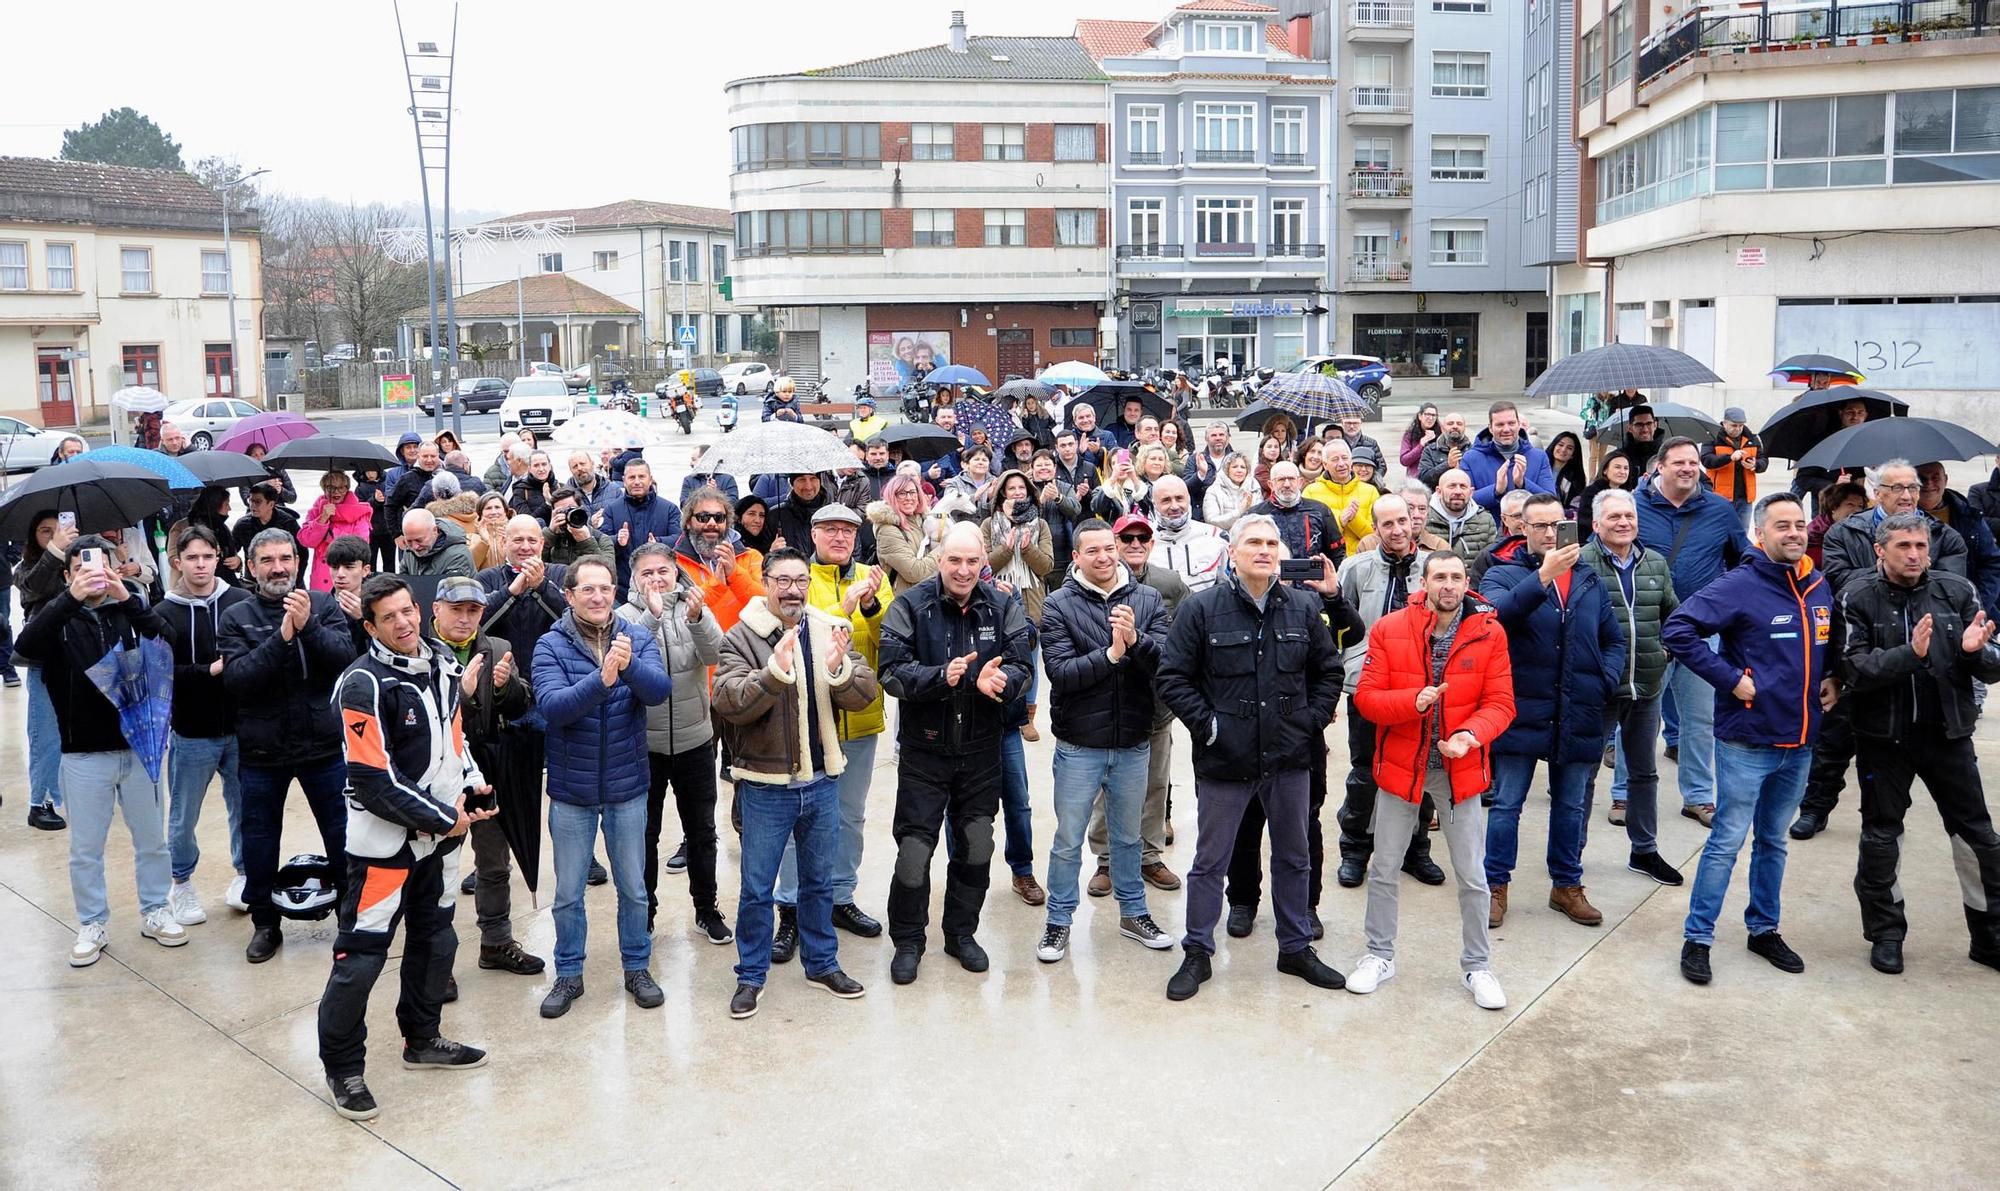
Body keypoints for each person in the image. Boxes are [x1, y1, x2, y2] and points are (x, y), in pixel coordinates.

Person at [316, 575, 491, 1122]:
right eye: (388, 617)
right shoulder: (360, 684)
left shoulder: (442, 662)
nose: (403, 623)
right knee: (361, 960)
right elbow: (372, 779)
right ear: (369, 626)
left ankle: (422, 1039)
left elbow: (453, 738)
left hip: (440, 846)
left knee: (437, 945)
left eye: (407, 611)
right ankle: (343, 1069)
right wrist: (446, 820)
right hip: (384, 851)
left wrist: (474, 782)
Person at [1157, 515, 1346, 1001]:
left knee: (1294, 856)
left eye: (1271, 543)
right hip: (1227, 759)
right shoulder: (1202, 609)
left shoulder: (1303, 607)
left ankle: (1295, 947)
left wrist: (1311, 719)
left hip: (1289, 757)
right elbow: (1173, 677)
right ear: (1233, 553)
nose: (1264, 550)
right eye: (1254, 543)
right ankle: (1198, 951)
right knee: (1209, 861)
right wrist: (1211, 725)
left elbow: (1328, 671)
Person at [1664, 493, 1835, 985]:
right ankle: (1698, 938)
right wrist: (1729, 678)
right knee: (1725, 842)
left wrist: (1835, 678)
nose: (1794, 532)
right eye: (1782, 525)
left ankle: (1763, 929)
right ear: (1760, 534)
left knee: (1773, 842)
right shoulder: (1739, 585)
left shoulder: (1819, 586)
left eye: (1800, 524)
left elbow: (1829, 646)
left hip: (1799, 742)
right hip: (1747, 742)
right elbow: (1680, 630)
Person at [712, 546, 878, 1018]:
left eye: (801, 581)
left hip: (823, 780)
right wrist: (774, 673)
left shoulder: (829, 628)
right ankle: (750, 976)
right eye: (782, 580)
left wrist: (837, 669)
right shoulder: (741, 638)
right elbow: (728, 701)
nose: (793, 590)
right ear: (765, 581)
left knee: (819, 883)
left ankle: (822, 964)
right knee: (757, 889)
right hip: (766, 786)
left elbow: (865, 693)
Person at [1347, 550, 1516, 1009]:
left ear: (1467, 583)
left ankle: (1478, 967)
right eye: (1440, 576)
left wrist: (1469, 735)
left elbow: (1501, 703)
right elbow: (1367, 699)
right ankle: (1379, 955)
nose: (1449, 585)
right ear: (1425, 581)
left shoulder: (1489, 632)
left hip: (1460, 769)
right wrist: (1414, 702)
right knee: (1383, 866)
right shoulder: (1390, 628)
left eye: (1457, 577)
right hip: (1402, 764)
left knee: (1473, 875)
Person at [1838, 512, 2000, 974]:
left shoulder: (1957, 591)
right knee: (1881, 838)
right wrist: (1911, 654)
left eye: (1921, 546)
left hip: (1948, 735)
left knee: (1979, 839)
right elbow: (1855, 669)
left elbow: (1991, 665)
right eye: (1904, 546)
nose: (1914, 554)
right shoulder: (1857, 596)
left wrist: (1976, 652)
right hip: (1882, 738)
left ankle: (1989, 937)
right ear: (1879, 550)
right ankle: (1886, 935)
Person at [16, 534, 186, 965]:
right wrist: (68, 599)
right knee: (85, 849)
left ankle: (156, 909)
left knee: (152, 841)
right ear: (68, 574)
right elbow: (26, 647)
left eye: (102, 566)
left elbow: (169, 641)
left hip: (140, 750)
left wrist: (126, 596)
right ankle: (92, 921)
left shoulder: (130, 610)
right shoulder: (57, 618)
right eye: (81, 568)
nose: (93, 575)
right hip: (82, 754)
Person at [877, 523, 1032, 985]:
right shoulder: (910, 604)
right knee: (913, 852)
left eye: (971, 561)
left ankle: (961, 933)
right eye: (953, 560)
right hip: (925, 752)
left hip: (982, 751)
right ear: (938, 559)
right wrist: (947, 677)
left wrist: (1002, 684)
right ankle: (908, 940)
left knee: (977, 846)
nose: (963, 570)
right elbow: (890, 673)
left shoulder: (1004, 604)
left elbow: (1023, 664)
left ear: (984, 561)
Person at [1792, 459, 1969, 840]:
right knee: (1834, 739)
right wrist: (1888, 569)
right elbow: (1837, 580)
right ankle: (1815, 807)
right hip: (1857, 648)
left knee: (1904, 748)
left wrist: (1897, 565)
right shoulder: (1845, 531)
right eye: (1897, 488)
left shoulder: (1943, 535)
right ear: (1877, 493)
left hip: (1921, 654)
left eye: (1913, 488)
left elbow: (1947, 588)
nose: (1907, 496)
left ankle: (1888, 817)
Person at [532, 556, 673, 1019]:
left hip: (627, 787)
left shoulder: (637, 636)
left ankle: (637, 967)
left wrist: (627, 667)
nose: (597, 597)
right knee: (569, 892)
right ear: (569, 595)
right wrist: (603, 678)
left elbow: (658, 690)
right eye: (587, 590)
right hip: (573, 793)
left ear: (614, 593)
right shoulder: (550, 645)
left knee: (634, 888)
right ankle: (569, 973)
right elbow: (553, 707)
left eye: (605, 589)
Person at [1479, 492, 1626, 928]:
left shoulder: (1588, 579)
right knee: (1506, 803)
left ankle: (1566, 884)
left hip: (1578, 705)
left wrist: (1606, 679)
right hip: (1522, 704)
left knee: (1570, 804)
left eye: (1556, 524)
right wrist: (1543, 576)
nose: (1549, 532)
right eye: (1539, 525)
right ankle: (1494, 886)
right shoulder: (1502, 574)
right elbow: (1495, 618)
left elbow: (1613, 638)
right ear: (1521, 529)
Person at [1035, 518, 1175, 962]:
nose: (1103, 557)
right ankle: (1058, 921)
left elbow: (1167, 662)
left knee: (1129, 837)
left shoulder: (1148, 598)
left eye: (1108, 548)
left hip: (1134, 739)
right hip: (1080, 745)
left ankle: (1134, 913)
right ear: (1075, 557)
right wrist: (1112, 654)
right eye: (1091, 550)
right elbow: (1060, 674)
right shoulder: (1057, 605)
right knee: (1068, 838)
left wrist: (1136, 641)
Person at [219, 529, 358, 964]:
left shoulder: (321, 604)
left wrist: (308, 625)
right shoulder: (236, 615)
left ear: (298, 562)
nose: (278, 567)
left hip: (322, 746)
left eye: (285, 558)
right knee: (259, 840)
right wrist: (281, 637)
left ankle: (350, 920)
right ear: (251, 565)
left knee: (344, 836)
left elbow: (344, 660)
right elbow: (239, 680)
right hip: (262, 751)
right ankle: (264, 922)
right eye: (267, 560)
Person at [769, 505, 895, 946]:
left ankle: (840, 896)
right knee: (794, 816)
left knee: (849, 815)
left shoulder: (873, 578)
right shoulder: (798, 579)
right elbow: (795, 632)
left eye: (848, 530)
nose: (840, 537)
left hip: (859, 719)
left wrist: (873, 604)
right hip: (807, 719)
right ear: (815, 534)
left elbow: (890, 642)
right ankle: (790, 906)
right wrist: (844, 609)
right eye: (830, 530)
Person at [611, 542, 731, 944]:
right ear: (634, 578)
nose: (657, 579)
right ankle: (645, 911)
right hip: (641, 747)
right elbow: (625, 662)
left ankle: (706, 907)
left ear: (675, 572)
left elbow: (716, 654)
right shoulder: (622, 616)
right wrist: (651, 616)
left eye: (663, 571)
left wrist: (697, 619)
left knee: (702, 830)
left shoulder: (693, 606)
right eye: (648, 573)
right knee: (644, 834)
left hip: (696, 738)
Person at [429, 576, 546, 977]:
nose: (465, 619)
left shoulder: (498, 647)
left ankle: (496, 942)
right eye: (456, 609)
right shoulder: (418, 651)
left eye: (473, 611)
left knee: (494, 864)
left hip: (489, 773)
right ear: (436, 609)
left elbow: (521, 703)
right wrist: (460, 694)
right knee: (436, 871)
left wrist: (505, 688)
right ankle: (434, 963)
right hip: (437, 779)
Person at [1630, 437, 1745, 829]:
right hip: (1646, 628)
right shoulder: (1633, 507)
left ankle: (1698, 797)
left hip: (1701, 633)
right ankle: (1624, 795)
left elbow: (1740, 561)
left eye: (1693, 462)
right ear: (1659, 466)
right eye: (1678, 462)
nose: (1687, 468)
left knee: (1700, 720)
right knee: (1639, 717)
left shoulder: (1720, 509)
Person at [1333, 496, 1443, 890]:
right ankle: (1355, 848)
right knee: (1365, 771)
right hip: (1369, 684)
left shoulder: (1434, 568)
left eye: (1403, 521)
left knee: (1420, 766)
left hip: (1422, 686)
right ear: (1375, 528)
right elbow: (1336, 624)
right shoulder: (1357, 568)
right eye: (1388, 524)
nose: (1397, 530)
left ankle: (1416, 849)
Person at [1579, 489, 1685, 886]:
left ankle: (1644, 851)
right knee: (1584, 773)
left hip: (1648, 686)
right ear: (1596, 525)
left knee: (1644, 772)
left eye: (1629, 516)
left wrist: (1666, 649)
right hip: (1599, 691)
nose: (1624, 523)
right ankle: (1570, 856)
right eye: (1614, 518)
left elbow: (1673, 615)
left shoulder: (1654, 563)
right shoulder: (1580, 563)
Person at [1087, 514, 1188, 896]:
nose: (1134, 544)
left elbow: (1186, 634)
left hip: (1156, 703)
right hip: (1106, 702)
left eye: (1141, 537)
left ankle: (1149, 856)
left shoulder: (1169, 584)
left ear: (1151, 542)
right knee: (1106, 786)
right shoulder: (1088, 581)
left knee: (1155, 783)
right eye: (1125, 538)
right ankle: (1106, 860)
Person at [162, 526, 253, 923]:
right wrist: (206, 671)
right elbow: (158, 672)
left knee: (246, 809)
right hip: (191, 731)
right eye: (192, 558)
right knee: (183, 815)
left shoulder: (239, 601)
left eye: (207, 556)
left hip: (240, 728)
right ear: (177, 562)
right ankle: (180, 884)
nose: (200, 564)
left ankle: (245, 876)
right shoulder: (162, 612)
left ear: (218, 557)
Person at [673, 487, 766, 631]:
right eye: (703, 517)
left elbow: (765, 604)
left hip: (742, 648)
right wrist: (716, 586)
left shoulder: (752, 557)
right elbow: (679, 615)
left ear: (727, 524)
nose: (712, 523)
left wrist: (735, 573)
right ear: (688, 522)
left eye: (719, 518)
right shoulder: (674, 563)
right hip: (697, 648)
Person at [1917, 460, 2000, 620]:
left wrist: (1978, 604)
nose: (1929, 484)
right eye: (1922, 479)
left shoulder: (1968, 516)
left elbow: (1992, 561)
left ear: (1946, 480)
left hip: (1971, 612)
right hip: (1922, 614)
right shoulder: (1901, 519)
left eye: (1935, 477)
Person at [597, 460, 683, 592]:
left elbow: (680, 539)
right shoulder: (611, 510)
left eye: (641, 476)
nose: (637, 482)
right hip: (623, 587)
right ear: (624, 480)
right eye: (632, 477)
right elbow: (600, 544)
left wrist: (658, 543)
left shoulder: (670, 509)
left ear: (650, 479)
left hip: (660, 586)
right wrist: (617, 541)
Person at [1461, 401, 1556, 516]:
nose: (1506, 429)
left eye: (1511, 423)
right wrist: (1495, 490)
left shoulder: (1538, 457)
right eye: (1500, 425)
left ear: (1518, 425)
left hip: (1528, 531)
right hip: (1488, 531)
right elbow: (1463, 501)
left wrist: (1523, 484)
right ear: (1490, 428)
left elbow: (1551, 502)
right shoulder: (1471, 458)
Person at [1250, 461, 1341, 568]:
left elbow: (1337, 553)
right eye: (1281, 479)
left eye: (1292, 479)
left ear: (1300, 482)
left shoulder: (1320, 511)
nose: (1287, 484)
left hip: (1312, 581)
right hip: (1271, 581)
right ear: (1271, 484)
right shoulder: (1256, 515)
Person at [297, 471, 373, 592]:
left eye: (341, 488)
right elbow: (306, 540)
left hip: (347, 576)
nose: (336, 492)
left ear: (347, 489)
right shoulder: (316, 511)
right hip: (321, 577)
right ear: (324, 489)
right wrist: (323, 519)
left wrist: (331, 537)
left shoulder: (359, 512)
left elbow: (361, 544)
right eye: (331, 488)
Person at [1149, 475, 1227, 594]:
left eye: (1179, 498)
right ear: (1154, 504)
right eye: (1166, 500)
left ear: (1189, 499)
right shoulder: (1142, 541)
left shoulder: (1215, 537)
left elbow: (1230, 588)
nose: (1174, 506)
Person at [869, 474, 940, 596]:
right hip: (905, 602)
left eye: (913, 492)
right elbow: (914, 572)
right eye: (902, 493)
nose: (909, 497)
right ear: (892, 496)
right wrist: (946, 547)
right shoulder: (888, 531)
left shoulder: (925, 521)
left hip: (930, 597)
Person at [1305, 438, 1379, 555]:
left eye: (1345, 458)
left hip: (1361, 560)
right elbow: (1310, 537)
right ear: (1325, 464)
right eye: (1335, 459)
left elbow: (1376, 536)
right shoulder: (1311, 492)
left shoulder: (1370, 491)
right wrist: (1339, 522)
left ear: (1351, 461)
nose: (1341, 463)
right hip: (1328, 562)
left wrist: (1354, 519)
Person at [1703, 408, 1768, 526]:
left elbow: (1764, 460)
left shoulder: (1752, 439)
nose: (1737, 429)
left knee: (1742, 534)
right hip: (1720, 496)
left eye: (1741, 426)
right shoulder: (1712, 437)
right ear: (1724, 423)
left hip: (1745, 498)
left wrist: (1756, 465)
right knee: (1720, 533)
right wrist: (1729, 458)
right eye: (1734, 425)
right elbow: (1706, 460)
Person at [1426, 468, 1499, 567]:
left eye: (1463, 486)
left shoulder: (1485, 521)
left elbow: (1492, 563)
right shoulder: (1424, 519)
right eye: (1452, 486)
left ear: (1471, 492)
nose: (1458, 491)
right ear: (1439, 491)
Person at [542, 488, 616, 570]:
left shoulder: (601, 539)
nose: (567, 514)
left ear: (581, 508)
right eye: (561, 511)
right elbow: (537, 561)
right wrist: (550, 533)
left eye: (571, 509)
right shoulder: (552, 538)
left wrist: (586, 542)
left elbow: (609, 572)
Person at [396, 508, 476, 579]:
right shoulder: (410, 550)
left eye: (419, 540)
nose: (415, 547)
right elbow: (404, 580)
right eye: (409, 541)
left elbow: (454, 592)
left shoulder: (457, 555)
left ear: (435, 531)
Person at [1806, 481, 1867, 568]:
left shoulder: (1860, 528)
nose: (1857, 510)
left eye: (1860, 506)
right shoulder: (1815, 535)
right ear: (1833, 507)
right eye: (1850, 504)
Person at [1574, 452, 1634, 539]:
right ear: (1605, 470)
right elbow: (1586, 522)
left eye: (1626, 468)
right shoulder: (1591, 492)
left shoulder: (1627, 495)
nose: (1622, 472)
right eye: (1617, 467)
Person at [1202, 452, 1261, 532]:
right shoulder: (1213, 490)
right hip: (1223, 539)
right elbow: (1211, 521)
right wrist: (1240, 511)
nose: (1239, 470)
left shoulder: (1254, 488)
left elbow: (1261, 518)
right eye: (1235, 467)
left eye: (1243, 467)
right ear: (1227, 470)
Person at [1417, 410, 1473, 489]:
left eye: (1459, 424)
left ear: (1464, 428)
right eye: (1450, 423)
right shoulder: (1430, 450)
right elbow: (1422, 480)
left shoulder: (1473, 451)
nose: (1455, 426)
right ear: (1443, 428)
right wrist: (1447, 465)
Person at [1617, 404, 1664, 477]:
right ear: (1629, 428)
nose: (1645, 429)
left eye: (1649, 424)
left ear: (1655, 425)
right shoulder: (1619, 457)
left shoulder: (1666, 454)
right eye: (1639, 424)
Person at [1547, 432, 1588, 515]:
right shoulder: (1540, 467)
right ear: (1554, 446)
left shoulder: (1576, 478)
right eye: (1560, 445)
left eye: (1569, 448)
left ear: (1573, 455)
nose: (1563, 450)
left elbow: (1575, 505)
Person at [1400, 403, 1441, 478]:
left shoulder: (1441, 435)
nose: (1431, 418)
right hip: (1415, 479)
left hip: (1435, 477)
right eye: (1427, 414)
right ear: (1420, 416)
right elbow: (1404, 460)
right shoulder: (1410, 435)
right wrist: (1421, 445)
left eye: (1433, 415)